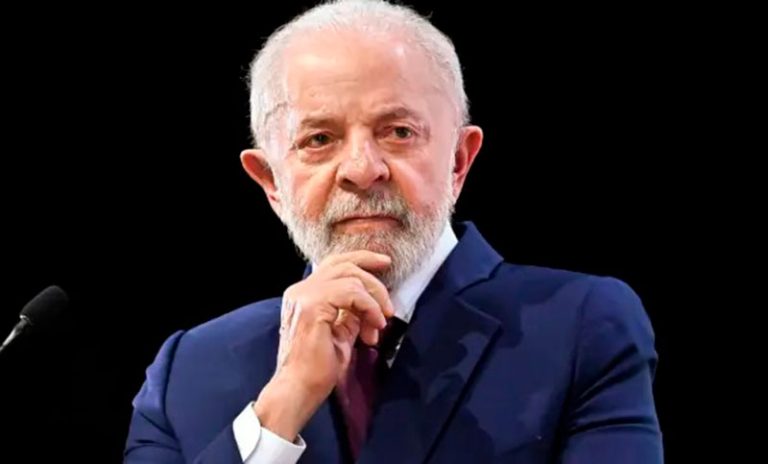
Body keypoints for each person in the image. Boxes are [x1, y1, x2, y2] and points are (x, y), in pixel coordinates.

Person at [124, 0, 663, 462]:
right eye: (318, 140)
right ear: (270, 182)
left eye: (398, 132)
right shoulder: (187, 370)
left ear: (458, 161)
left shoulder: (580, 325)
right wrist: (282, 406)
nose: (363, 169)